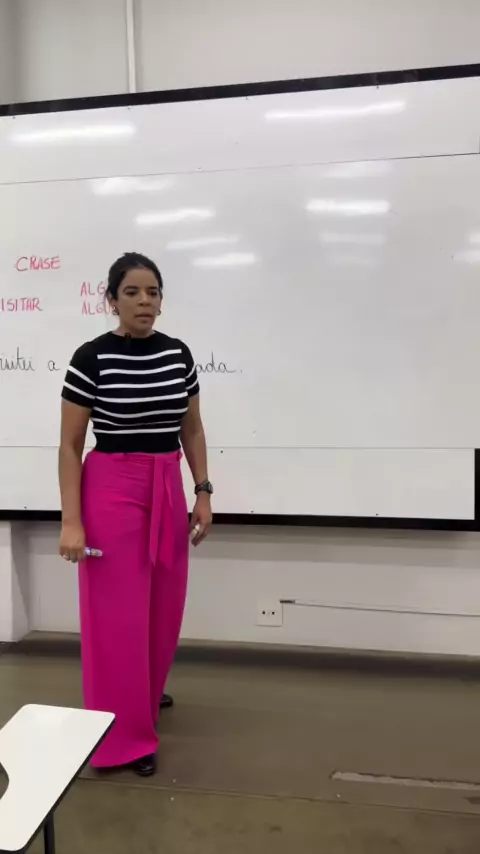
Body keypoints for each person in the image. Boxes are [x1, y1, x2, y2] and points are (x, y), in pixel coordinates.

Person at [58, 252, 212, 776]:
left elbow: (192, 428)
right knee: (117, 616)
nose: (144, 301)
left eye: (153, 292)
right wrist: (72, 521)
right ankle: (124, 738)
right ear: (112, 300)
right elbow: (70, 445)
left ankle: (143, 692)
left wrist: (203, 492)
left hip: (166, 483)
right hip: (112, 488)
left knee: (164, 604)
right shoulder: (91, 358)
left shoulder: (177, 355)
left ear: (161, 300)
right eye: (132, 292)